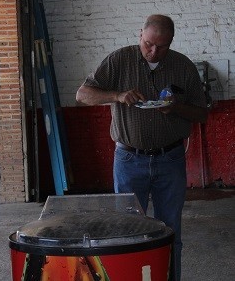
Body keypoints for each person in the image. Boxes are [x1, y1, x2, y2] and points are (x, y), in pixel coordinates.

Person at [76, 14, 208, 280]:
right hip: (129, 160)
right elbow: (82, 94)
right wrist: (117, 95)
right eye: (148, 44)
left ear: (171, 42)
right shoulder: (119, 60)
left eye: (162, 46)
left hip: (170, 160)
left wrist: (177, 108)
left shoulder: (183, 66)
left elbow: (201, 113)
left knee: (170, 231)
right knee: (127, 231)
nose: (153, 51)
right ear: (140, 34)